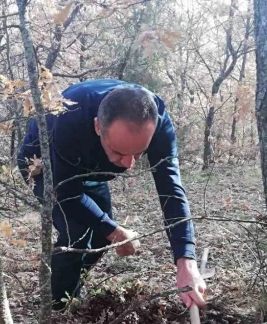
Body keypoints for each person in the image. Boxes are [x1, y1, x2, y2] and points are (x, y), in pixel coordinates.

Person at [17, 79, 206, 311]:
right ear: (98, 126)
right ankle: (57, 307)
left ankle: (71, 288)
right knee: (77, 233)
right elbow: (66, 193)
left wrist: (186, 260)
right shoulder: (70, 116)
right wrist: (115, 231)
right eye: (119, 152)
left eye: (139, 153)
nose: (128, 165)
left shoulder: (158, 121)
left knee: (100, 236)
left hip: (92, 168)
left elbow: (171, 190)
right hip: (44, 166)